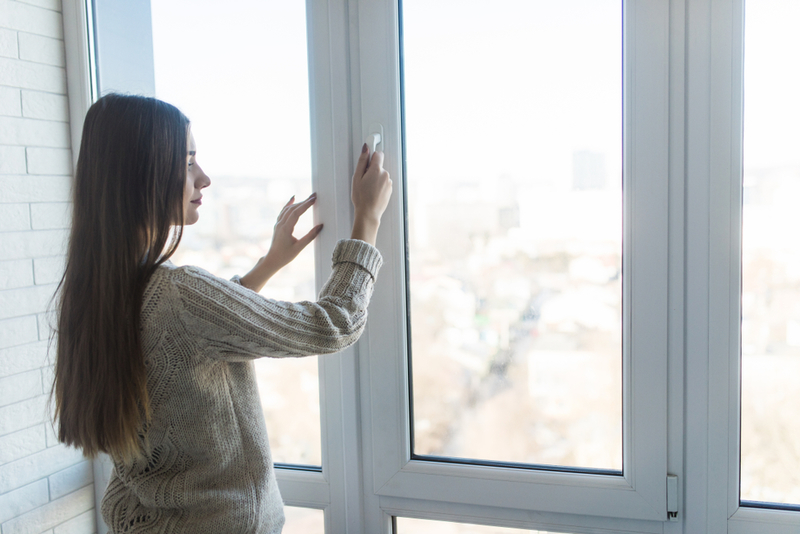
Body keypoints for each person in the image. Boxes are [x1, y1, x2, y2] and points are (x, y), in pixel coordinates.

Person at [51, 93, 392, 533]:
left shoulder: (95, 295)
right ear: (141, 174)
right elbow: (336, 323)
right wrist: (367, 218)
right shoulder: (177, 294)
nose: (204, 178)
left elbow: (184, 338)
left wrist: (268, 264)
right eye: (188, 161)